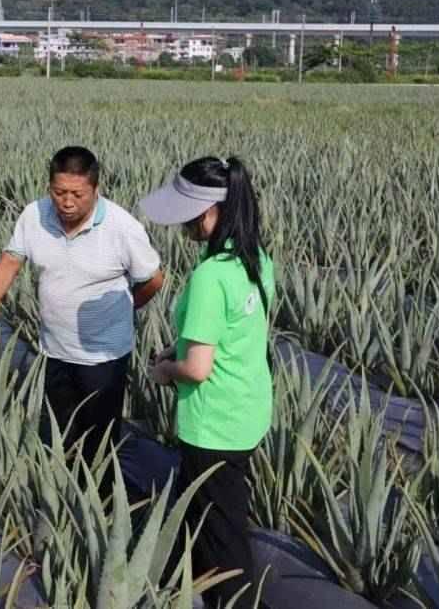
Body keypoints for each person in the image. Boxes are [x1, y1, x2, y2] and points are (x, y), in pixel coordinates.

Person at [0, 146, 164, 489]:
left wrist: (124, 307)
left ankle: (99, 502)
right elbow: (12, 259)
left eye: (78, 194)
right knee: (58, 432)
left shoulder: (121, 227)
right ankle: (60, 491)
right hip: (54, 348)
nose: (67, 201)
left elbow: (154, 279)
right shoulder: (34, 215)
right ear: (49, 188)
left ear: (96, 189)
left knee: (99, 442)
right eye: (59, 192)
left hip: (103, 355)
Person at [140, 156, 274, 609]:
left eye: (186, 217)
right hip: (247, 409)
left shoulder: (209, 275)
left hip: (213, 421)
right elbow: (233, 335)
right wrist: (177, 349)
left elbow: (198, 368)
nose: (181, 227)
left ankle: (232, 601)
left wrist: (164, 371)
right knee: (214, 513)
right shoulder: (254, 260)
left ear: (210, 213)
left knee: (223, 535)